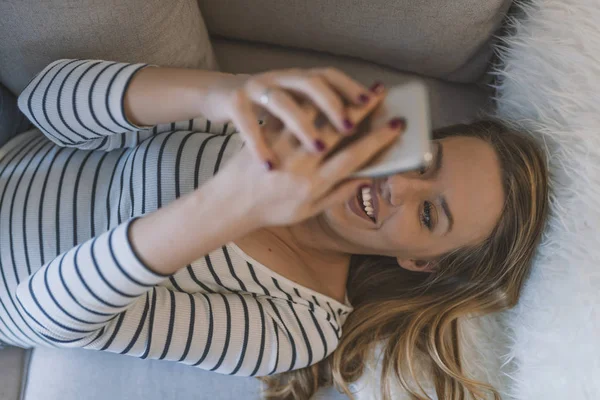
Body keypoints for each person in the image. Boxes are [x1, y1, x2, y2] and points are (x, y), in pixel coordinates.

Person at [0, 59, 548, 400]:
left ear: (420, 262)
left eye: (429, 214)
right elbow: (44, 102)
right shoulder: (283, 133)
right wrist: (224, 93)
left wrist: (235, 205)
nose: (397, 186)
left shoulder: (301, 327)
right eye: (424, 161)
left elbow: (35, 316)